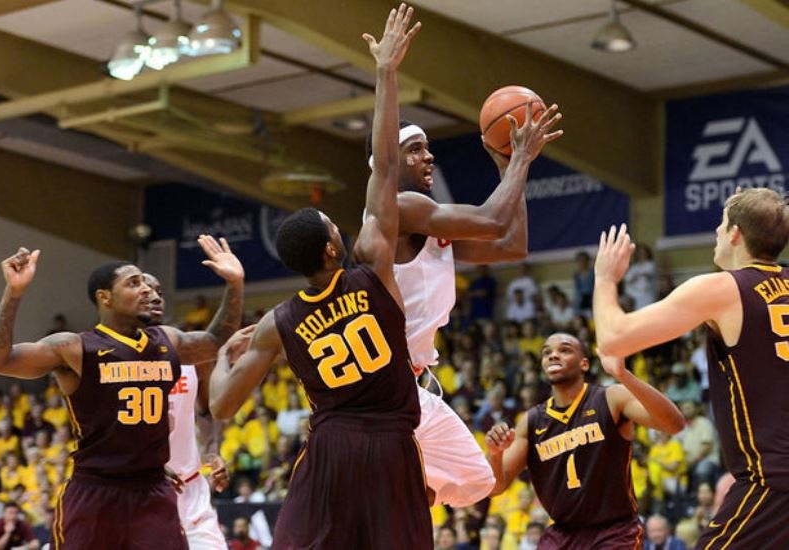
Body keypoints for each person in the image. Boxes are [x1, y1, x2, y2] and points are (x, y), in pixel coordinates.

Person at [210, 5, 431, 549]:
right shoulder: (374, 267)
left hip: (330, 449)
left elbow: (220, 407)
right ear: (334, 247)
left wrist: (220, 357)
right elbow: (383, 163)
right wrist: (385, 73)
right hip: (390, 442)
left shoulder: (277, 324)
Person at [376, 67, 563, 508]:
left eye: (428, 149)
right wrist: (520, 158)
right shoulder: (399, 209)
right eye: (414, 150)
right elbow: (493, 220)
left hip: (411, 386)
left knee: (468, 484)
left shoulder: (427, 224)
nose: (428, 158)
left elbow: (512, 244)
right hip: (386, 388)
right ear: (384, 163)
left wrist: (506, 167)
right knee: (441, 488)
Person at [0, 235, 243, 550]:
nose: (147, 289)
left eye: (147, 284)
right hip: (96, 492)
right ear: (105, 297)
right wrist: (13, 293)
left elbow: (214, 342)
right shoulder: (75, 347)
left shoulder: (167, 340)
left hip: (153, 490)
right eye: (134, 283)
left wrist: (234, 284)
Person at [593, 187, 789, 548]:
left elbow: (613, 338)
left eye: (721, 222)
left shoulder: (723, 288)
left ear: (735, 233)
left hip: (771, 482)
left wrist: (605, 279)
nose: (716, 231)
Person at [485, 333, 685, 549]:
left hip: (614, 531)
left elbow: (674, 424)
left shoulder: (611, 398)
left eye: (564, 350)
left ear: (584, 364)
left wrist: (623, 374)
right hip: (562, 533)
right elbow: (495, 487)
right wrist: (495, 453)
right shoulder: (531, 421)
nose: (553, 355)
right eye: (547, 353)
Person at [143, 273, 229, 550]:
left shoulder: (190, 353)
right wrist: (148, 465)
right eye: (143, 289)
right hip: (138, 493)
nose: (154, 297)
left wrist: (212, 449)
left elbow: (205, 413)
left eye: (158, 290)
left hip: (190, 490)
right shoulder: (108, 358)